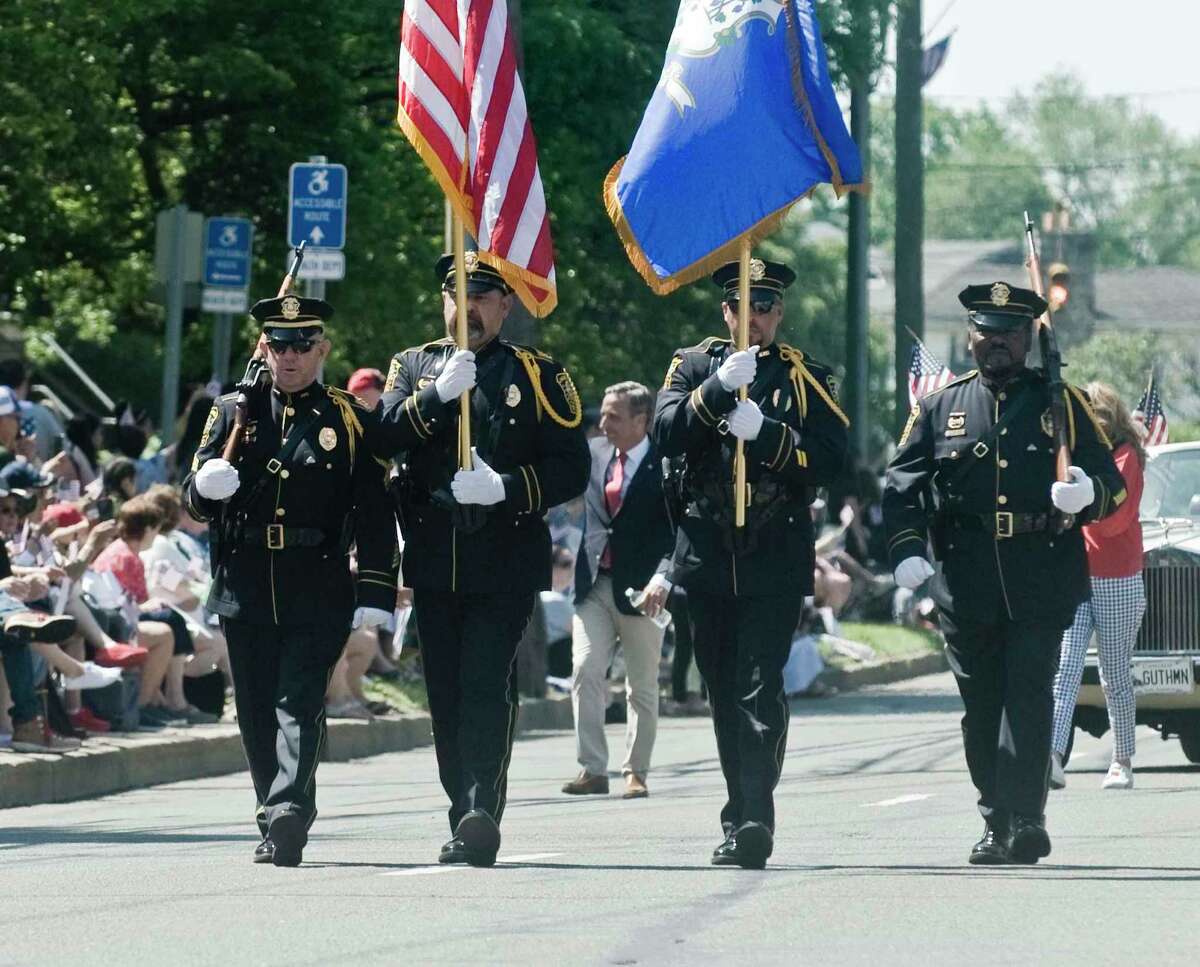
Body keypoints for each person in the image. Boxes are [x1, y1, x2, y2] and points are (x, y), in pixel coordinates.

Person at [883, 282, 1122, 866]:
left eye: (1010, 333)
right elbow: (902, 483)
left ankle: (1025, 818)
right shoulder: (942, 406)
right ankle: (996, 814)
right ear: (970, 337)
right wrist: (907, 546)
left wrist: (1086, 493)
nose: (996, 343)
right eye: (986, 331)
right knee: (983, 704)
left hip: (1041, 570)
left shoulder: (1061, 403)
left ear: (1028, 340)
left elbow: (1110, 483)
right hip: (966, 577)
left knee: (1030, 695)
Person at [375, 253, 589, 866]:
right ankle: (459, 809)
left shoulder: (541, 375)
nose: (465, 307)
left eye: (481, 297)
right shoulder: (414, 367)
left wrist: (508, 488)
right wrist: (436, 398)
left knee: (484, 682)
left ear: (505, 305)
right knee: (444, 691)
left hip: (503, 557)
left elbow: (570, 467)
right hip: (435, 558)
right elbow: (383, 436)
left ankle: (478, 812)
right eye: (455, 295)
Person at [183, 293, 398, 868]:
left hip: (317, 580)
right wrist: (207, 487)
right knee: (254, 707)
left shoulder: (349, 417)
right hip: (246, 580)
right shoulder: (234, 411)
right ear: (264, 348)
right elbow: (193, 495)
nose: (290, 355)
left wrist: (377, 592)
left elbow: (374, 510)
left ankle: (289, 811)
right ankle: (269, 810)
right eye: (278, 344)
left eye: (302, 344)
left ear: (322, 348)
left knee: (298, 700)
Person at [652, 258, 849, 869]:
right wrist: (713, 393)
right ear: (725, 311)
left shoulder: (805, 378)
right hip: (707, 552)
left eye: (765, 306)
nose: (754, 317)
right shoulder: (693, 365)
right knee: (721, 688)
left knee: (761, 687)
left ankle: (754, 817)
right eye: (743, 306)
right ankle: (740, 806)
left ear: (779, 312)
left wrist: (767, 433)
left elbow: (832, 459)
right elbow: (664, 432)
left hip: (771, 551)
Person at [562, 381, 674, 801]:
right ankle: (592, 768)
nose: (602, 423)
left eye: (614, 416)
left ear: (641, 421)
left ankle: (636, 770)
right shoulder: (592, 455)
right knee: (585, 670)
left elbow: (677, 531)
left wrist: (663, 577)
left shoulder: (665, 465)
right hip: (594, 584)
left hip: (644, 590)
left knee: (640, 685)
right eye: (603, 414)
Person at [1050, 382, 1147, 791]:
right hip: (1077, 573)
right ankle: (1052, 755)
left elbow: (1114, 523)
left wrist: (1080, 504)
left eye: (1094, 419)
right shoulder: (1077, 456)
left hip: (1118, 576)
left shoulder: (1126, 458)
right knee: (1066, 667)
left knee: (1113, 673)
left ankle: (1122, 759)